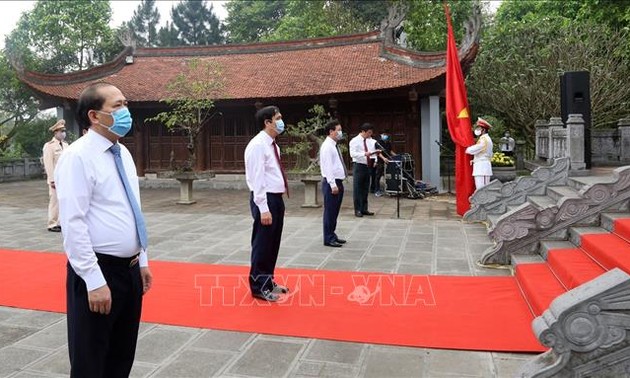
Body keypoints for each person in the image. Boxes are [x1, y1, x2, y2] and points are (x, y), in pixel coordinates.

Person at [55, 82, 153, 377]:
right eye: (118, 106)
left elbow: (132, 209)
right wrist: (93, 280)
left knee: (121, 356)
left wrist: (143, 259)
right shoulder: (78, 157)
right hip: (99, 271)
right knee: (91, 360)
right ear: (94, 116)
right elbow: (73, 223)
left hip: (130, 270)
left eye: (126, 104)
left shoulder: (122, 153)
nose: (126, 112)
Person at [244, 105, 290, 302]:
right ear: (267, 122)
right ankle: (258, 286)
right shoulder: (257, 145)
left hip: (276, 198)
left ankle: (268, 280)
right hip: (265, 199)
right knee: (262, 243)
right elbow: (257, 179)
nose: (281, 121)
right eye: (278, 118)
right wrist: (263, 208)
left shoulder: (273, 145)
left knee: (273, 243)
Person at [320, 119, 347, 248]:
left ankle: (332, 234)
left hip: (338, 181)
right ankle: (328, 237)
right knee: (330, 211)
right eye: (338, 130)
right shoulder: (327, 146)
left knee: (334, 211)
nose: (340, 133)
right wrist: (332, 184)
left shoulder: (333, 145)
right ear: (331, 131)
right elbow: (327, 167)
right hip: (332, 183)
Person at [42, 119, 69, 232]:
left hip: (65, 178)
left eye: (64, 130)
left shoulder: (66, 145)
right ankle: (52, 223)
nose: (63, 133)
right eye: (61, 131)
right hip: (55, 178)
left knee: (63, 200)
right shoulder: (49, 146)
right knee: (54, 201)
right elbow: (48, 164)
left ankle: (60, 222)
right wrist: (52, 180)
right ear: (56, 132)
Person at [350, 123, 380, 217]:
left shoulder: (370, 141)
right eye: (368, 132)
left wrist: (375, 158)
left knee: (365, 188)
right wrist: (364, 154)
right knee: (358, 188)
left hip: (368, 165)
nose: (370, 134)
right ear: (363, 131)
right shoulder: (354, 141)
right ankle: (357, 209)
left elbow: (372, 151)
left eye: (371, 133)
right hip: (359, 165)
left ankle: (364, 208)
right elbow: (353, 154)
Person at [465, 117, 494, 190]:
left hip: (482, 168)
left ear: (483, 130)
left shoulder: (484, 140)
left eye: (479, 128)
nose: (477, 130)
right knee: (480, 190)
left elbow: (472, 150)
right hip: (480, 167)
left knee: (482, 190)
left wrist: (466, 149)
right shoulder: (484, 139)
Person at [374, 129, 395, 196]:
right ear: (381, 135)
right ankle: (377, 190)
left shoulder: (388, 142)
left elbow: (390, 151)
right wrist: (383, 158)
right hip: (380, 161)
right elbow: (378, 152)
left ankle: (388, 188)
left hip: (388, 161)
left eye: (386, 134)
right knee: (378, 176)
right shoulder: (378, 143)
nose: (386, 136)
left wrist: (396, 156)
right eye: (384, 134)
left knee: (388, 175)